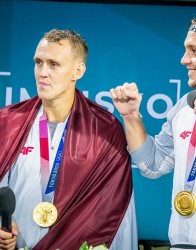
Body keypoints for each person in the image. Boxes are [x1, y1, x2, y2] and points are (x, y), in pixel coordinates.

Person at [110, 13, 196, 250]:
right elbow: (153, 165)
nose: (184, 59)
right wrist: (131, 117)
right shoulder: (185, 105)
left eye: (194, 50)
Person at [0, 29, 137, 250]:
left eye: (53, 64)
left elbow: (117, 210)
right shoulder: (8, 121)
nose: (42, 72)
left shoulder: (104, 130)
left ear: (78, 71)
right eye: (38, 62)